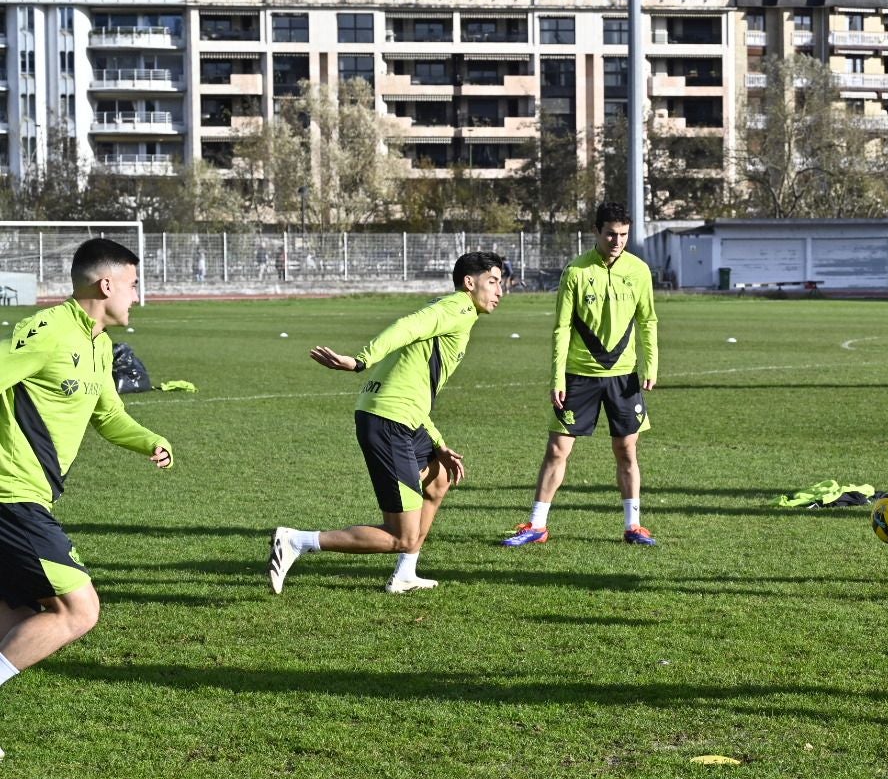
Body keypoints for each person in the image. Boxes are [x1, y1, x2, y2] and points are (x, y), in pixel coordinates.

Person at [0, 240, 174, 721]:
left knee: (19, 618)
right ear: (107, 283)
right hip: (10, 496)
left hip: (25, 498)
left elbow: (110, 416)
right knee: (78, 611)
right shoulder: (48, 330)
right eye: (134, 285)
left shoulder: (99, 346)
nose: (137, 296)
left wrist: (150, 440)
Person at [268, 252, 504, 594]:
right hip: (389, 419)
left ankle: (406, 573)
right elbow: (405, 326)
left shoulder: (458, 313)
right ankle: (296, 541)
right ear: (470, 283)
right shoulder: (458, 308)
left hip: (403, 415)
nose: (500, 290)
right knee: (400, 535)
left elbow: (418, 386)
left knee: (438, 479)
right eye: (493, 282)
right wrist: (360, 360)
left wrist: (437, 443)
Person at [503, 202, 660, 548]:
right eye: (610, 234)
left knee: (627, 450)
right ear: (596, 231)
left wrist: (651, 364)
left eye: (623, 235)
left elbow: (647, 320)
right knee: (558, 449)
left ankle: (633, 526)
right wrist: (557, 377)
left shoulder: (639, 271)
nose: (617, 241)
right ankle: (537, 525)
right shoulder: (576, 271)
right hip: (579, 374)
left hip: (624, 376)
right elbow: (561, 328)